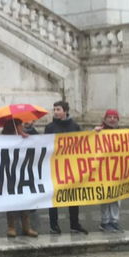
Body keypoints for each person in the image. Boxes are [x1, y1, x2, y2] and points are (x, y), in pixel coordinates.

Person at [45, 100, 88, 234]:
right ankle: (54, 225)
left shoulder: (75, 126)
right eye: (55, 109)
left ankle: (74, 224)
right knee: (54, 196)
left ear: (65, 111)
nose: (56, 112)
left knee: (73, 196)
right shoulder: (50, 127)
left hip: (71, 166)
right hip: (55, 166)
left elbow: (82, 142)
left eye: (58, 109)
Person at [1, 118, 38, 238]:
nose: (22, 127)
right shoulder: (3, 139)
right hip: (10, 172)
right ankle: (11, 226)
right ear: (14, 127)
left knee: (25, 199)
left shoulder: (23, 137)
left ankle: (26, 226)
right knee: (11, 199)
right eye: (20, 125)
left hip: (22, 172)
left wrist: (26, 139)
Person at [95, 109, 123, 232]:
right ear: (105, 119)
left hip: (118, 169)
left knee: (117, 197)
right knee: (105, 197)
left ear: (118, 120)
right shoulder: (99, 131)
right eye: (109, 117)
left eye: (114, 117)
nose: (112, 119)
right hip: (104, 170)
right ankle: (105, 221)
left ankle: (114, 221)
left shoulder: (123, 133)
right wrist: (94, 132)